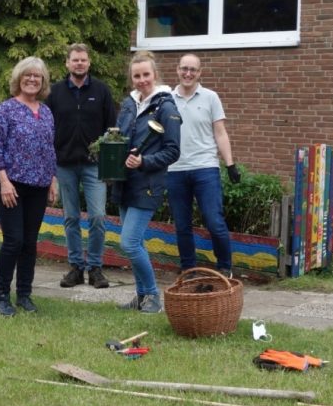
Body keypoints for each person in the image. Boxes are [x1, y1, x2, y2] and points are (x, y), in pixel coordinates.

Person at [0, 57, 58, 316]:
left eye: (37, 76)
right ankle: (2, 297)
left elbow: (50, 149)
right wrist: (4, 182)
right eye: (27, 75)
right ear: (18, 79)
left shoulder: (46, 111)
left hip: (39, 186)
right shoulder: (5, 110)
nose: (32, 80)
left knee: (30, 242)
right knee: (13, 241)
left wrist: (53, 180)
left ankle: (25, 295)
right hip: (11, 185)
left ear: (43, 82)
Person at [113, 51, 181, 313]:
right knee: (136, 243)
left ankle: (153, 295)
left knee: (128, 242)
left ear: (155, 75)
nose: (142, 80)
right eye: (137, 76)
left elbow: (173, 151)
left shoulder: (166, 107)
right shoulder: (129, 104)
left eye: (146, 75)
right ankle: (141, 296)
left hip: (148, 183)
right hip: (124, 182)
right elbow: (120, 140)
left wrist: (144, 161)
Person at [46, 43, 117, 290]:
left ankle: (95, 268)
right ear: (67, 63)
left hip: (93, 166)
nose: (79, 64)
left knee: (97, 216)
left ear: (89, 63)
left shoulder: (101, 91)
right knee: (71, 218)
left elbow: (112, 131)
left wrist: (110, 168)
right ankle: (76, 267)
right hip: (64, 165)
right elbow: (47, 131)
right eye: (75, 60)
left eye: (83, 60)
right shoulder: (54, 93)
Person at [167, 53, 240, 276]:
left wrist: (230, 164)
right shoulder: (167, 99)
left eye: (193, 70)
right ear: (177, 70)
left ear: (200, 73)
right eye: (184, 69)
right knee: (182, 224)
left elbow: (220, 133)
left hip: (205, 168)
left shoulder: (210, 97)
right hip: (175, 169)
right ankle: (188, 269)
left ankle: (225, 267)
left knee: (214, 221)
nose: (188, 73)